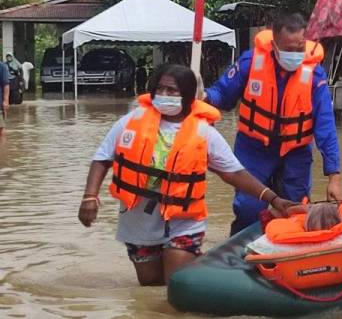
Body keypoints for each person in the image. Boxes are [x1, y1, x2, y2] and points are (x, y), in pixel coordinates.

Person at [77, 64, 297, 286]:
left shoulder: (204, 132)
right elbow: (102, 158)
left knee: (175, 284)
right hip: (138, 221)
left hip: (183, 221)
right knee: (150, 285)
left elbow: (234, 173)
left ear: (187, 95)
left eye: (171, 91)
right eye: (160, 89)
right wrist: (90, 196)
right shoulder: (131, 121)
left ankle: (193, 264)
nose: (164, 95)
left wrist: (274, 199)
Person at [204, 12, 341, 235]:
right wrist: (204, 98)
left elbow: (325, 127)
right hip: (254, 147)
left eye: (300, 47)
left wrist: (334, 176)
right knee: (248, 208)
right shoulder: (252, 61)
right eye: (289, 48)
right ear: (274, 44)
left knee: (295, 209)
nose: (295, 54)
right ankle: (241, 251)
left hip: (295, 152)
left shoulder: (315, 75)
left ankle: (283, 253)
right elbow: (221, 93)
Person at [0, 61, 9, 135]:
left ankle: (3, 146)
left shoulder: (2, 66)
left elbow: (6, 85)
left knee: (1, 128)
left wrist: (6, 101)